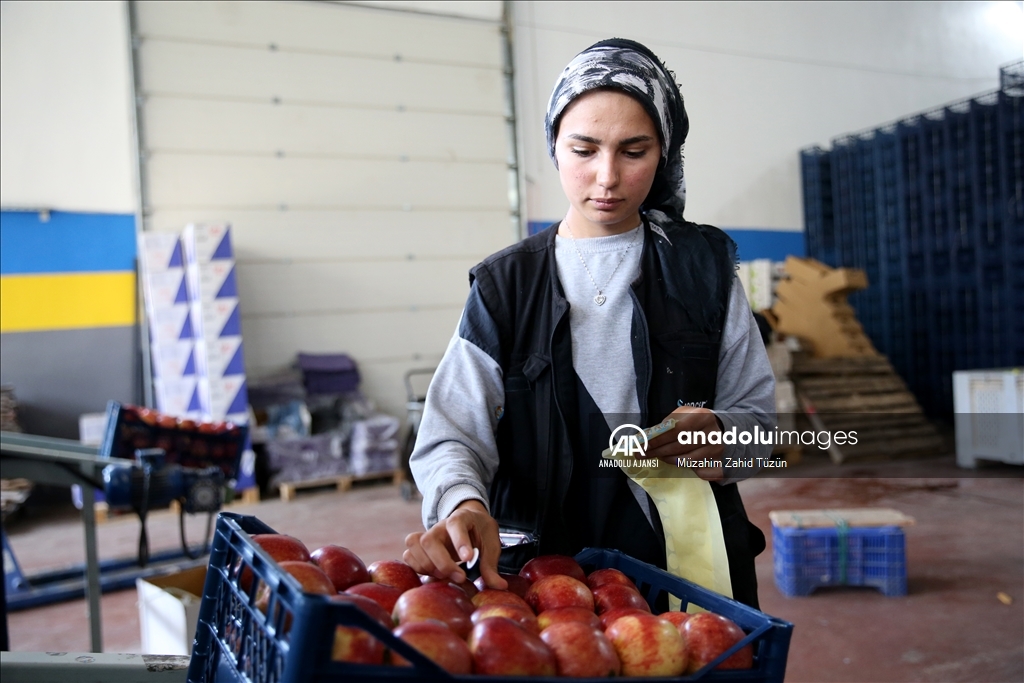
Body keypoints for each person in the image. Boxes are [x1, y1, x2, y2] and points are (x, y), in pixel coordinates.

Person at [404, 38, 774, 609]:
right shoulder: (507, 287)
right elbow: (452, 432)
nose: (606, 177)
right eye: (583, 149)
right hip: (545, 584)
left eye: (634, 151)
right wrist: (462, 504)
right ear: (553, 145)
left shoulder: (704, 272)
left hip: (688, 580)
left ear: (665, 152)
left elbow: (761, 426)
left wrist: (724, 440)